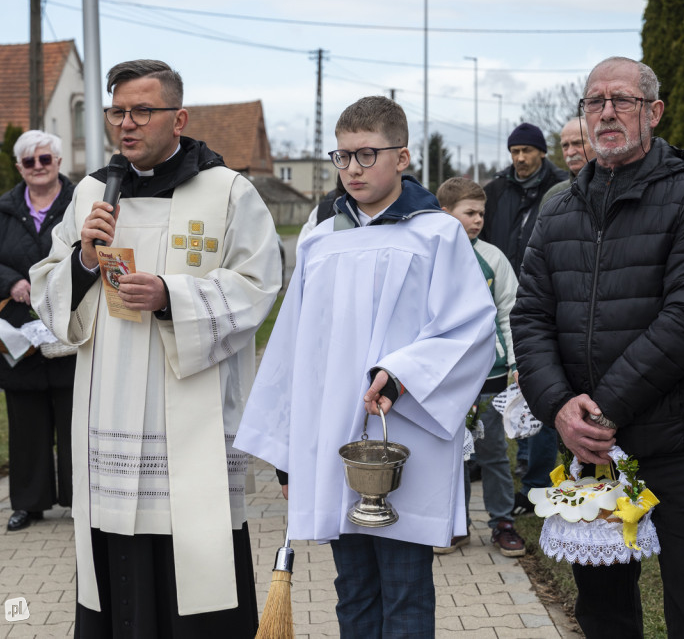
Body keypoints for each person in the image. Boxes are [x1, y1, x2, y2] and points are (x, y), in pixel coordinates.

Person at [30, 59, 281, 638]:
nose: (127, 123)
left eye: (143, 110)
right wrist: (84, 261)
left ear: (179, 117)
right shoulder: (94, 191)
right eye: (118, 111)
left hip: (189, 404)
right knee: (116, 553)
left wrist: (172, 295)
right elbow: (47, 283)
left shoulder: (226, 191)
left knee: (196, 548)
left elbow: (260, 283)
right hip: (108, 407)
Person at [234, 96, 497, 637]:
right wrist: (288, 454)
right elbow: (292, 345)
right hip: (332, 437)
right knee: (352, 592)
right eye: (343, 156)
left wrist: (401, 375)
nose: (351, 169)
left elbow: (472, 329)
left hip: (404, 431)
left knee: (404, 591)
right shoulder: (321, 235)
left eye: (367, 155)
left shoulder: (437, 233)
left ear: (402, 158)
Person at [511, 56, 684, 638]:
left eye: (623, 101)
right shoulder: (558, 209)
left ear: (654, 112)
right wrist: (559, 408)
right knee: (603, 611)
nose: (607, 113)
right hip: (589, 453)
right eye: (594, 102)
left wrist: (601, 409)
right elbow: (531, 315)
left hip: (676, 444)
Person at [0, 130, 76, 532]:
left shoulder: (81, 203)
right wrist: (12, 282)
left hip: (70, 331)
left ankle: (80, 501)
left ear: (58, 162)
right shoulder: (3, 211)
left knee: (74, 422)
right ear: (19, 167)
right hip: (19, 339)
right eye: (29, 162)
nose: (38, 167)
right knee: (26, 425)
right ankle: (29, 503)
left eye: (45, 159)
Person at [478, 122, 567, 509]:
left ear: (541, 152)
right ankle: (507, 463)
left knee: (541, 387)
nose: (520, 158)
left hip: (544, 299)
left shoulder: (559, 187)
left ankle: (536, 483)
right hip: (503, 297)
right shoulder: (497, 190)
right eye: (514, 151)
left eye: (527, 151)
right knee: (511, 385)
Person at [435, 176, 523, 558]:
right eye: (469, 213)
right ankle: (455, 525)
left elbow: (509, 311)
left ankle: (503, 521)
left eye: (481, 213)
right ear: (444, 214)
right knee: (451, 452)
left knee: (492, 451)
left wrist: (516, 361)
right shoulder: (430, 256)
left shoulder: (493, 258)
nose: (477, 220)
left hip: (491, 375)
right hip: (447, 378)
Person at [541, 116, 596, 206]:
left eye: (577, 143)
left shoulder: (615, 189)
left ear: (596, 143)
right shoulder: (552, 196)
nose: (570, 152)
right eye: (565, 145)